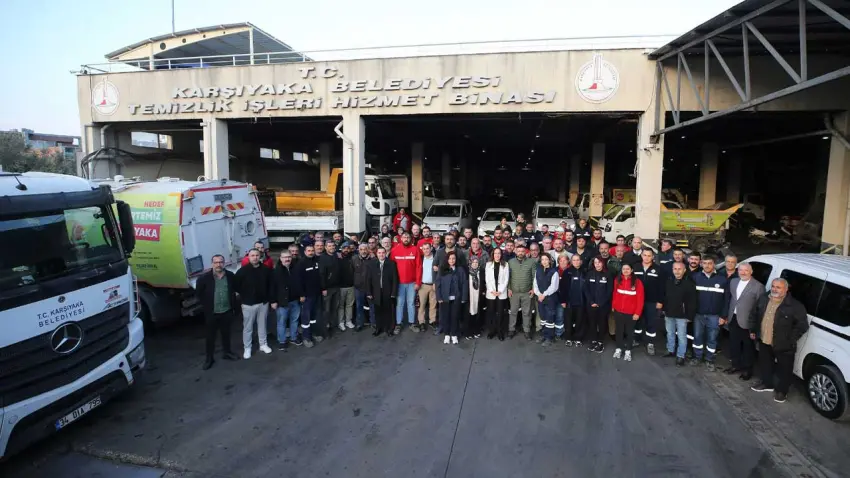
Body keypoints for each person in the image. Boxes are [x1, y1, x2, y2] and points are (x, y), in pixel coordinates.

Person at [749, 278, 809, 403]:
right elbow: (754, 314)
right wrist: (753, 330)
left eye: (779, 287)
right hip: (764, 339)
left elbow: (802, 326)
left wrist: (790, 339)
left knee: (785, 369)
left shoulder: (795, 305)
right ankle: (767, 384)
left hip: (784, 344)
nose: (775, 289)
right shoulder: (764, 298)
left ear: (786, 289)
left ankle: (782, 391)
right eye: (773, 286)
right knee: (765, 364)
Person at [196, 254, 239, 370]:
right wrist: (206, 307)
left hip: (226, 311)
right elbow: (199, 294)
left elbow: (234, 290)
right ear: (212, 264)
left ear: (224, 263)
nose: (218, 264)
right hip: (212, 313)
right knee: (210, 337)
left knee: (226, 334)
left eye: (220, 262)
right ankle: (209, 358)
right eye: (216, 262)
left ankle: (227, 353)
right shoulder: (204, 278)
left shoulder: (230, 276)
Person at [234, 248, 276, 359]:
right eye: (252, 255)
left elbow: (271, 286)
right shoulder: (242, 271)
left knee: (262, 325)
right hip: (248, 304)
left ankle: (263, 344)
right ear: (248, 257)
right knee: (248, 327)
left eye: (257, 255)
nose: (255, 257)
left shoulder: (266, 270)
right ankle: (247, 348)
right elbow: (236, 286)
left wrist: (270, 300)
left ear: (260, 256)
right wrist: (245, 296)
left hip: (263, 303)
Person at [724, 263, 763, 380]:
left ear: (751, 272)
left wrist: (755, 326)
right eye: (741, 270)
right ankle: (735, 365)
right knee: (734, 344)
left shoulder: (758, 286)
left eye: (746, 270)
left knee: (748, 347)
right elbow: (731, 299)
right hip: (733, 318)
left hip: (747, 321)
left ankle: (747, 370)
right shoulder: (733, 282)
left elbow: (759, 307)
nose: (743, 272)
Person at [690, 256, 729, 371]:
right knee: (697, 337)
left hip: (715, 316)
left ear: (714, 265)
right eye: (705, 263)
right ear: (701, 264)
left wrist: (723, 316)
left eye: (710, 263)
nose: (707, 266)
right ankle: (697, 357)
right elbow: (690, 297)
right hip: (698, 315)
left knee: (712, 338)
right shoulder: (695, 277)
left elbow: (726, 300)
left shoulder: (722, 280)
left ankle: (709, 359)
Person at [661, 262, 697, 366]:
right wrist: (664, 309)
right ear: (672, 270)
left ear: (684, 270)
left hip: (682, 315)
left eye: (679, 269)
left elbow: (692, 301)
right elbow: (665, 296)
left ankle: (681, 356)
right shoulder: (669, 281)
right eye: (675, 269)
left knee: (681, 336)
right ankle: (670, 350)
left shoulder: (689, 283)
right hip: (669, 313)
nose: (677, 271)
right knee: (670, 333)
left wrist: (690, 315)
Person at [632, 248, 665, 356]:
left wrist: (660, 301)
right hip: (637, 300)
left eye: (649, 255)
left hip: (652, 301)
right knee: (637, 321)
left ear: (653, 257)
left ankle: (650, 343)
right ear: (641, 256)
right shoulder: (635, 267)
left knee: (651, 322)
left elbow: (662, 287)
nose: (646, 257)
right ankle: (636, 339)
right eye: (645, 255)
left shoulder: (658, 269)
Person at [390, 232, 422, 334]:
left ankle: (412, 323)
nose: (406, 239)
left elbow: (419, 267)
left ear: (411, 239)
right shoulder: (394, 251)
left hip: (412, 283)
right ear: (400, 238)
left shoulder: (415, 249)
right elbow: (391, 268)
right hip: (399, 283)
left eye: (408, 237)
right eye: (404, 237)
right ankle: (398, 323)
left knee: (411, 303)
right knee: (399, 304)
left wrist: (418, 282)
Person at [611, 263, 644, 362]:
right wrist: (613, 306)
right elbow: (615, 293)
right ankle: (618, 348)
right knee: (619, 331)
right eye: (623, 269)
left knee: (629, 333)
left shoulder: (637, 282)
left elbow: (640, 299)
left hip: (631, 313)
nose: (625, 271)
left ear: (632, 270)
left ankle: (628, 351)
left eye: (628, 269)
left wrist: (637, 313)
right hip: (618, 311)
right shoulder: (617, 280)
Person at [294, 245, 325, 348]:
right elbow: (298, 281)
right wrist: (301, 294)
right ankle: (306, 337)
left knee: (314, 317)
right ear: (305, 252)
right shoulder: (301, 264)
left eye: (312, 250)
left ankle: (314, 334)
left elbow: (320, 277)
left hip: (316, 294)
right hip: (307, 296)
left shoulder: (316, 261)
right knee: (306, 318)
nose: (311, 252)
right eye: (309, 251)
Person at [436, 251, 468, 345]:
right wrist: (439, 297)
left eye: (453, 258)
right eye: (450, 258)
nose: (452, 260)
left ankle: (454, 334)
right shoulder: (442, 269)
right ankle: (447, 334)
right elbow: (438, 284)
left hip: (456, 298)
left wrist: (463, 297)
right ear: (447, 259)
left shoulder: (460, 270)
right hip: (445, 298)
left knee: (455, 317)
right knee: (445, 317)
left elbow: (464, 283)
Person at [506, 244, 537, 340]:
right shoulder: (510, 262)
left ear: (526, 252)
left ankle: (527, 331)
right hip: (514, 292)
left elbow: (534, 277)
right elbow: (508, 276)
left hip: (527, 292)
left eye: (522, 251)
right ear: (515, 251)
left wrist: (533, 289)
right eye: (518, 251)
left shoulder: (532, 262)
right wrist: (509, 288)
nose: (520, 253)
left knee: (526, 312)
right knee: (513, 312)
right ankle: (511, 330)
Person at [367, 247, 399, 337]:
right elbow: (368, 279)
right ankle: (378, 328)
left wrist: (393, 293)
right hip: (376, 291)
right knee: (378, 311)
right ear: (377, 254)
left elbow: (395, 279)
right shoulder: (372, 264)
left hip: (387, 291)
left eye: (383, 253)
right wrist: (369, 292)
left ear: (385, 253)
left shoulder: (391, 264)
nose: (381, 254)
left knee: (388, 311)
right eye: (379, 253)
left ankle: (389, 329)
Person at [273, 251, 302, 350]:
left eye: (289, 257)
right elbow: (272, 288)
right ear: (280, 258)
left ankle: (293, 338)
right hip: (282, 302)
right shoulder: (276, 271)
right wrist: (273, 301)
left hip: (295, 300)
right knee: (282, 322)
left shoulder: (296, 269)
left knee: (294, 320)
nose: (287, 259)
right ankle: (282, 341)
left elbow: (300, 283)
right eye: (285, 257)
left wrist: (301, 295)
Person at [585, 256, 612, 354]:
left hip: (603, 305)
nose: (597, 264)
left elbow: (609, 291)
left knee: (602, 324)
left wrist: (600, 303)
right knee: (592, 323)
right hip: (591, 304)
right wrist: (591, 302)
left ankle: (600, 342)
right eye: (596, 262)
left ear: (603, 263)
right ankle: (593, 340)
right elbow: (586, 289)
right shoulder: (589, 274)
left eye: (599, 262)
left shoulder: (608, 274)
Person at [533, 253, 560, 346]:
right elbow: (535, 284)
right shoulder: (538, 270)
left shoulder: (554, 272)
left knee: (550, 318)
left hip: (550, 299)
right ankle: (544, 335)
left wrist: (544, 294)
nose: (544, 261)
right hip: (540, 298)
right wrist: (538, 294)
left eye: (546, 259)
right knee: (543, 317)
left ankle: (549, 338)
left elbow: (554, 287)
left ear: (550, 260)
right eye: (542, 259)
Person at [560, 254, 587, 348]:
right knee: (568, 321)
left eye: (578, 260)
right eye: (574, 260)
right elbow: (562, 288)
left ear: (581, 261)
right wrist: (563, 301)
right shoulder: (567, 272)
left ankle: (578, 338)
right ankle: (568, 338)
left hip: (581, 301)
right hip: (569, 301)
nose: (576, 262)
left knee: (580, 321)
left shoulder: (585, 272)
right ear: (571, 262)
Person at [319, 241, 344, 335]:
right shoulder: (323, 258)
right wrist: (323, 288)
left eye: (333, 246)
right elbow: (321, 274)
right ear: (325, 247)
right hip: (327, 289)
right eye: (329, 246)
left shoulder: (336, 256)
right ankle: (326, 328)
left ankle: (333, 326)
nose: (332, 247)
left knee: (335, 308)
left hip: (336, 287)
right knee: (326, 309)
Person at [485, 247, 509, 340]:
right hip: (491, 293)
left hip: (501, 293)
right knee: (491, 313)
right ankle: (492, 331)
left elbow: (506, 279)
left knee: (500, 313)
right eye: (495, 253)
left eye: (499, 253)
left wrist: (500, 290)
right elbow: (487, 279)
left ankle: (500, 331)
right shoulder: (488, 264)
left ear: (501, 254)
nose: (497, 255)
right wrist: (492, 290)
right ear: (493, 254)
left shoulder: (505, 264)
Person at [352, 243, 375, 332]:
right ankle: (359, 323)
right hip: (359, 288)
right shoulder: (354, 259)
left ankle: (373, 323)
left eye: (365, 249)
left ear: (368, 249)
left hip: (370, 288)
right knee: (359, 306)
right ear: (358, 250)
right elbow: (352, 271)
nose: (363, 251)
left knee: (372, 306)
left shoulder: (373, 259)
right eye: (361, 249)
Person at [418, 242, 439, 332]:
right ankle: (421, 322)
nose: (426, 250)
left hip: (433, 285)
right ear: (422, 250)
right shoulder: (421, 258)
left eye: (428, 248)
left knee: (433, 304)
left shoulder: (435, 258)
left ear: (431, 248)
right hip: (423, 285)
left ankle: (432, 321)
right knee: (421, 305)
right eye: (424, 249)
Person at [466, 256, 485, 339]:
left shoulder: (481, 272)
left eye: (476, 262)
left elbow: (484, 283)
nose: (475, 264)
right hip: (469, 296)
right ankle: (468, 332)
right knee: (469, 314)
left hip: (478, 295)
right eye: (473, 262)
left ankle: (476, 331)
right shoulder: (467, 272)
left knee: (477, 313)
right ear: (470, 263)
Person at [338, 242, 356, 330]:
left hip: (351, 286)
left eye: (347, 248)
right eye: (344, 248)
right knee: (341, 305)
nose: (346, 250)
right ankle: (341, 322)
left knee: (349, 304)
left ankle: (348, 321)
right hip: (341, 286)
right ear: (341, 248)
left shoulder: (352, 257)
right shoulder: (337, 257)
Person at [555, 255, 571, 341]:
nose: (563, 262)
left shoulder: (571, 271)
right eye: (561, 261)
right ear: (558, 262)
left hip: (569, 297)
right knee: (559, 315)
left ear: (568, 261)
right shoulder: (555, 271)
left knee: (568, 316)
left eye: (565, 260)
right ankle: (558, 332)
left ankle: (568, 331)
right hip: (557, 297)